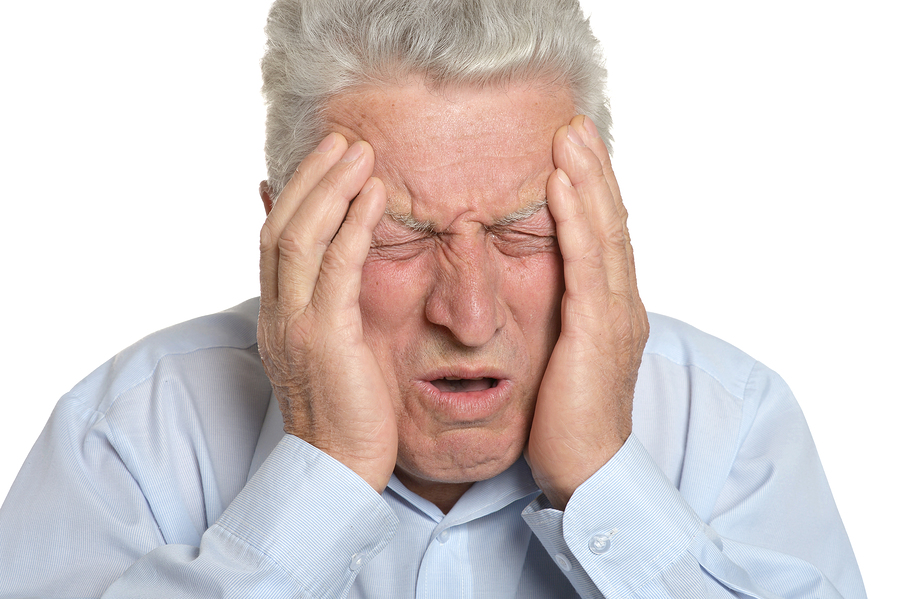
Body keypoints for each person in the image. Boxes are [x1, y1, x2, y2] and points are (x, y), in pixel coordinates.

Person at [0, 0, 866, 597]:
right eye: (399, 235)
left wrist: (605, 477)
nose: (469, 314)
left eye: (523, 230)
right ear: (286, 237)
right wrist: (325, 474)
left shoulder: (733, 426)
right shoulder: (127, 437)